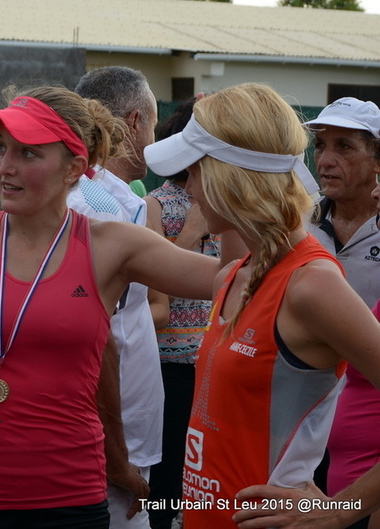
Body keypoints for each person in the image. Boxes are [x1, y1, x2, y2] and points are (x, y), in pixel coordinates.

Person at [0, 86, 222, 528]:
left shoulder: (110, 244)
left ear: (74, 168)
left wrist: (240, 181)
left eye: (27, 153)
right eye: (2, 148)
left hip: (68, 498)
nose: (5, 166)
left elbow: (236, 278)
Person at [143, 83, 380, 528]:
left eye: (194, 170)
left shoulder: (310, 284)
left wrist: (338, 511)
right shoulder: (235, 274)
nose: (188, 187)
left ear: (229, 176)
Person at [233, 98, 380, 529]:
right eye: (320, 146)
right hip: (301, 428)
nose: (326, 160)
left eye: (344, 147)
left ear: (378, 161)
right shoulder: (298, 225)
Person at [67, 66, 166, 528]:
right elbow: (96, 339)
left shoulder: (110, 197)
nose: (155, 137)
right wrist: (117, 457)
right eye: (153, 123)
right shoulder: (98, 207)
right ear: (134, 122)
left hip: (118, 434)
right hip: (108, 442)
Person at [144, 99, 223, 529]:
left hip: (213, 361)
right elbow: (155, 285)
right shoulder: (156, 202)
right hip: (169, 362)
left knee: (206, 470)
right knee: (168, 470)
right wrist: (191, 233)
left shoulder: (226, 200)